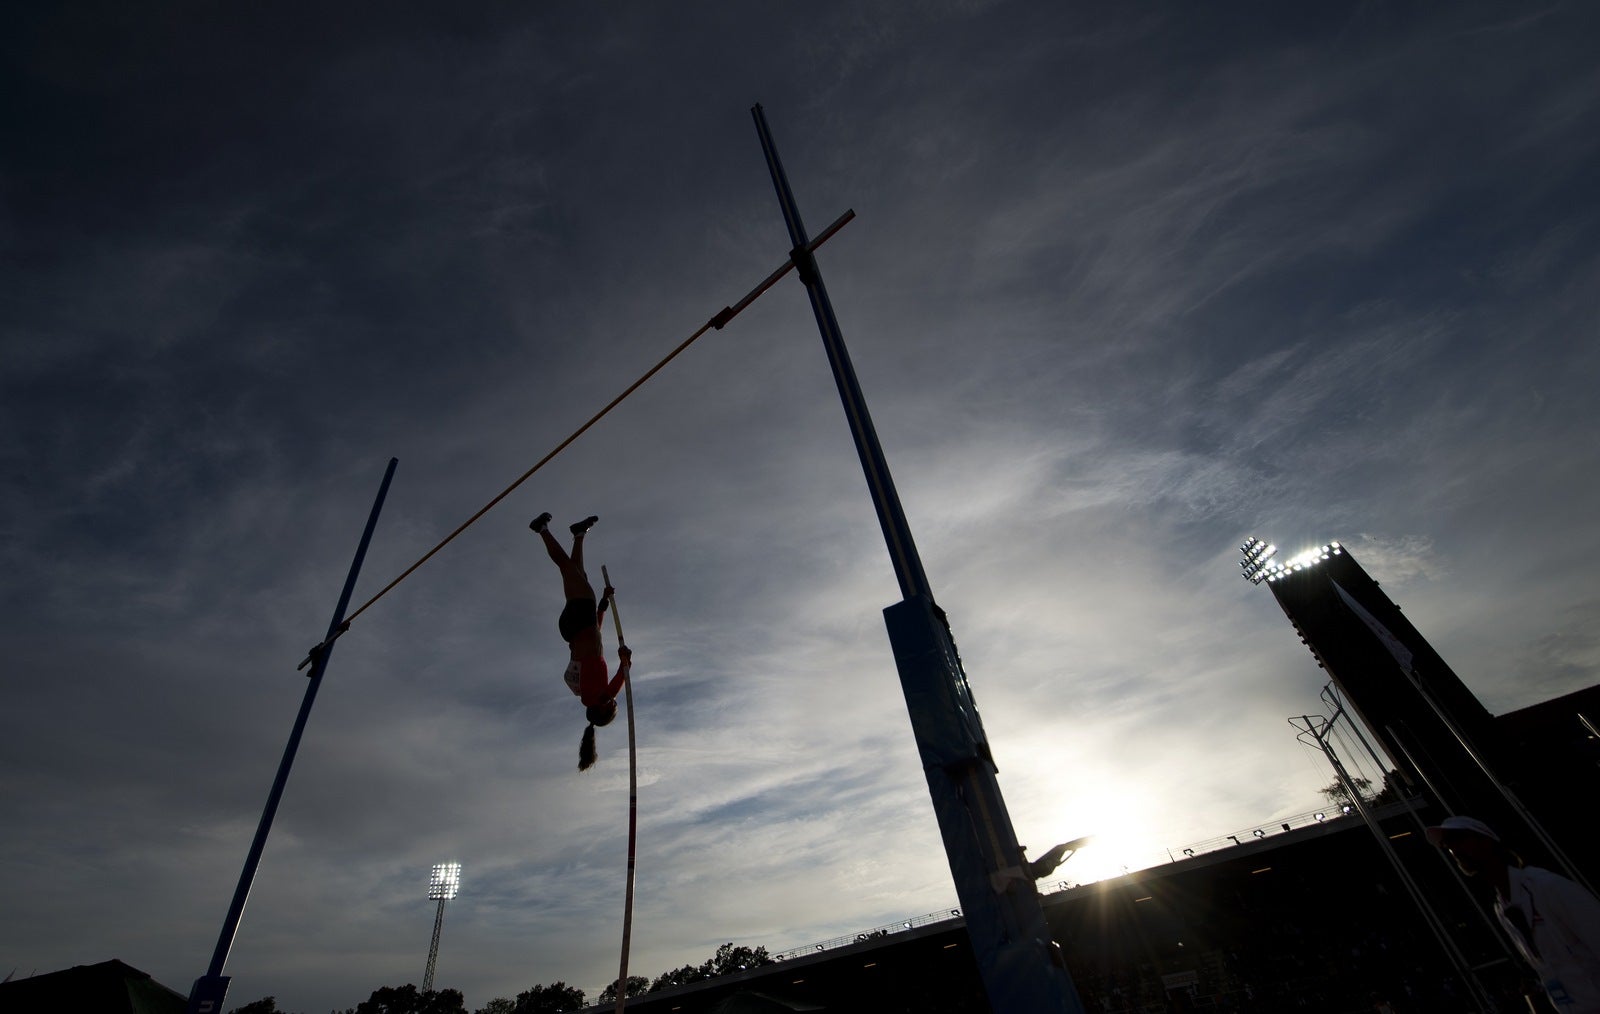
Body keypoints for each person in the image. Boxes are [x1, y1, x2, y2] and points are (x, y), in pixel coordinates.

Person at [1426, 815, 1600, 1012]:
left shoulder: (1548, 887)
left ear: (1486, 841)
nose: (1455, 850)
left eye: (1459, 839)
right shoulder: (1501, 908)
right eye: (1449, 845)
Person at [531, 512, 631, 771]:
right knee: (578, 576)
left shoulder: (599, 696)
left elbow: (621, 680)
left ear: (605, 707)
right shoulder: (589, 691)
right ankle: (578, 535)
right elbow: (595, 636)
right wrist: (603, 607)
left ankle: (542, 529)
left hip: (579, 622)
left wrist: (626, 663)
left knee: (567, 569)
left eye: (612, 705)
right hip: (578, 626)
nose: (612, 700)